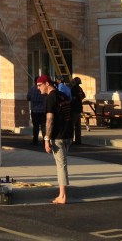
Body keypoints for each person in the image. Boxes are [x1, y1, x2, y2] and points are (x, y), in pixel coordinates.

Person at [38, 74, 73, 204]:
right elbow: (69, 113)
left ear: (47, 84)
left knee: (61, 166)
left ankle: (62, 196)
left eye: (39, 85)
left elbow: (50, 120)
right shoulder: (63, 95)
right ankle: (62, 194)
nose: (38, 88)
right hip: (68, 134)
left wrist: (46, 138)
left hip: (58, 136)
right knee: (62, 164)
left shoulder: (50, 99)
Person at [26, 76, 47, 146]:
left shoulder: (32, 89)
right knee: (44, 127)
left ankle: (35, 141)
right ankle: (45, 141)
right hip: (43, 110)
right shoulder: (44, 89)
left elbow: (28, 98)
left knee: (36, 127)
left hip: (34, 111)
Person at [70, 77, 86, 145]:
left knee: (72, 126)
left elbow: (71, 97)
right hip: (79, 108)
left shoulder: (73, 89)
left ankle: (70, 140)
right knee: (78, 126)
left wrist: (74, 100)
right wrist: (79, 99)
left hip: (74, 109)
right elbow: (83, 96)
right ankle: (78, 140)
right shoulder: (80, 89)